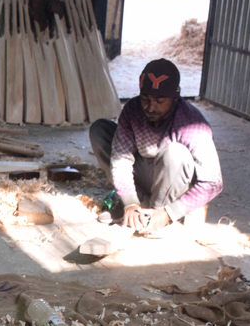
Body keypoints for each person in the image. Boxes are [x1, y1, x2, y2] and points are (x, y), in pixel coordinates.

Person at [89, 58, 223, 233]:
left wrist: (170, 212)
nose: (150, 108)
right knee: (100, 130)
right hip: (146, 172)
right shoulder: (133, 110)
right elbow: (121, 159)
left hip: (174, 183)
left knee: (176, 153)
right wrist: (130, 203)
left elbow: (213, 183)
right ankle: (136, 207)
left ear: (175, 98)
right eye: (145, 98)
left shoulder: (192, 124)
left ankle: (155, 216)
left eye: (159, 101)